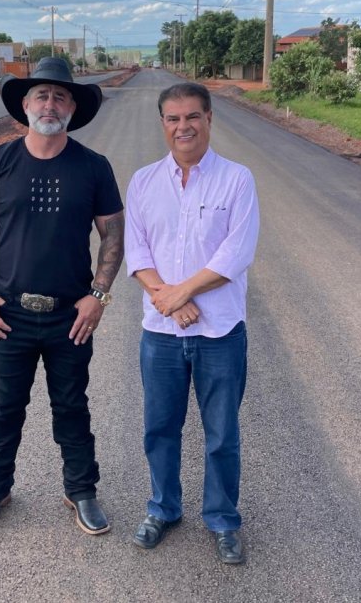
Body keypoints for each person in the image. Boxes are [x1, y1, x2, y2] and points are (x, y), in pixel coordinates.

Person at [0, 56, 124, 536]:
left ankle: (81, 490)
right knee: (5, 405)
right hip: (8, 314)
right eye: (41, 95)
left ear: (72, 107)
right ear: (26, 105)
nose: (50, 104)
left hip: (70, 316)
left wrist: (98, 296)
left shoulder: (93, 167)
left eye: (60, 96)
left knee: (71, 404)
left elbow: (113, 237)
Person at [124, 82, 260, 564]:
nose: (183, 127)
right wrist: (169, 299)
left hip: (219, 332)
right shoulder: (143, 182)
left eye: (192, 117)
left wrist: (181, 292)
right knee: (160, 428)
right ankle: (163, 508)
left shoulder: (237, 180)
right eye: (173, 118)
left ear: (209, 119)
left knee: (221, 433)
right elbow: (137, 251)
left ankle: (222, 519)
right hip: (161, 334)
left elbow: (236, 253)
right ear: (163, 124)